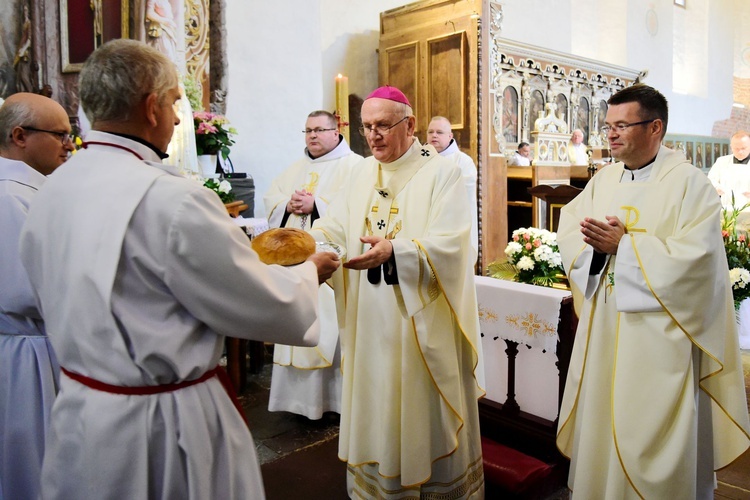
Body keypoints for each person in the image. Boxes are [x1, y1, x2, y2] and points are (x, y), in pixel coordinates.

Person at [18, 39, 340, 499]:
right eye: (173, 103)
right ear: (150, 108)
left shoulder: (55, 185)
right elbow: (266, 305)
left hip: (81, 413)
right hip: (162, 428)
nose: (174, 117)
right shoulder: (173, 199)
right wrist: (310, 271)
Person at [556, 84, 750, 499]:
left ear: (655, 127)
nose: (610, 135)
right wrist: (594, 248)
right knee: (603, 427)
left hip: (661, 342)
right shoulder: (604, 179)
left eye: (622, 125)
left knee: (651, 432)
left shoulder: (689, 185)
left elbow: (696, 264)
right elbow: (572, 231)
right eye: (608, 126)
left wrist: (624, 248)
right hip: (607, 331)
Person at [309, 86, 484, 499]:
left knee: (418, 405)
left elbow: (456, 244)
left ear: (410, 125)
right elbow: (334, 225)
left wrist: (397, 252)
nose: (373, 136)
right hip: (370, 317)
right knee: (377, 394)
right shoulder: (360, 172)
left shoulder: (442, 172)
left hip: (419, 319)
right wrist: (317, 247)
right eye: (367, 127)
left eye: (383, 126)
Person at [263, 110, 362, 420]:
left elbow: (357, 207)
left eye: (320, 130)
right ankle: (297, 402)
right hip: (296, 263)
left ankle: (332, 402)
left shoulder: (356, 166)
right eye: (307, 131)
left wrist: (316, 204)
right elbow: (271, 198)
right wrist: (286, 205)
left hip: (332, 266)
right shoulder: (295, 167)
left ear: (337, 131)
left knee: (330, 325)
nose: (313, 136)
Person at [0, 92, 74, 500]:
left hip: (37, 344)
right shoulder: (10, 196)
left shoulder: (28, 190)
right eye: (60, 134)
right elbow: (21, 292)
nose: (69, 144)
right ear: (19, 135)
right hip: (27, 354)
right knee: (32, 463)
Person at [426, 116, 478, 251]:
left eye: (439, 132)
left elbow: (463, 195)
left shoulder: (463, 162)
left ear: (450, 136)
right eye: (430, 132)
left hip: (452, 226)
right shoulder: (418, 159)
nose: (434, 135)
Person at [707, 130, 750, 210]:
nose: (740, 152)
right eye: (736, 148)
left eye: (743, 148)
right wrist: (716, 187)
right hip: (726, 209)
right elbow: (710, 179)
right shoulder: (722, 161)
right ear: (731, 147)